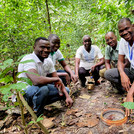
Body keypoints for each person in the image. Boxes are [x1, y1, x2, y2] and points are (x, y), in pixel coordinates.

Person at [18, 37, 73, 121]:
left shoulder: (48, 61)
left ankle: (38, 103)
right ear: (34, 48)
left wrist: (67, 96)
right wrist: (55, 80)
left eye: (48, 48)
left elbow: (58, 80)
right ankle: (38, 116)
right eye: (42, 47)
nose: (46, 50)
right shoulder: (28, 59)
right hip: (26, 92)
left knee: (65, 90)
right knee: (44, 89)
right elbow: (36, 81)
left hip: (39, 90)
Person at [104, 18, 134, 116]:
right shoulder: (122, 41)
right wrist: (122, 74)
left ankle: (131, 93)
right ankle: (127, 90)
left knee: (130, 95)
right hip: (132, 70)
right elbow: (120, 62)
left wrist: (129, 95)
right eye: (121, 31)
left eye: (127, 28)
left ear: (133, 26)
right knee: (107, 73)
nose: (125, 33)